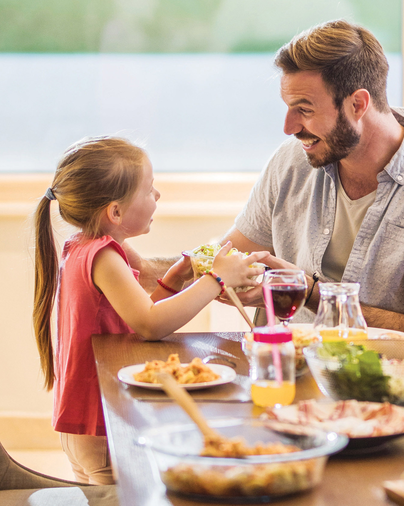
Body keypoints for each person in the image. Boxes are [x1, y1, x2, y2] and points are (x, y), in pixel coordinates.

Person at [135, 20, 404, 331]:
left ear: (358, 104)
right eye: (289, 109)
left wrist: (307, 292)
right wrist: (140, 268)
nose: (289, 127)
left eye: (304, 110)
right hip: (283, 373)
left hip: (387, 388)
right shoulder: (292, 161)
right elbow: (227, 257)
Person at [32, 137, 266, 484]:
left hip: (86, 421)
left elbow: (137, 315)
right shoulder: (105, 256)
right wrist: (217, 279)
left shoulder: (82, 245)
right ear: (115, 212)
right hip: (99, 421)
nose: (157, 196)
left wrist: (172, 281)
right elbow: (151, 325)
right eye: (150, 189)